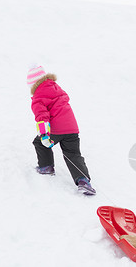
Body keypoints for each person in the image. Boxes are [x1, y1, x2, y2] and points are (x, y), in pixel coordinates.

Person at [27, 65, 96, 195]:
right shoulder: (57, 89)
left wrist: (44, 134)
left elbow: (42, 117)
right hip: (72, 128)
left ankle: (46, 166)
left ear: (33, 85)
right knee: (72, 154)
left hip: (56, 129)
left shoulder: (38, 97)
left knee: (40, 143)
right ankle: (83, 181)